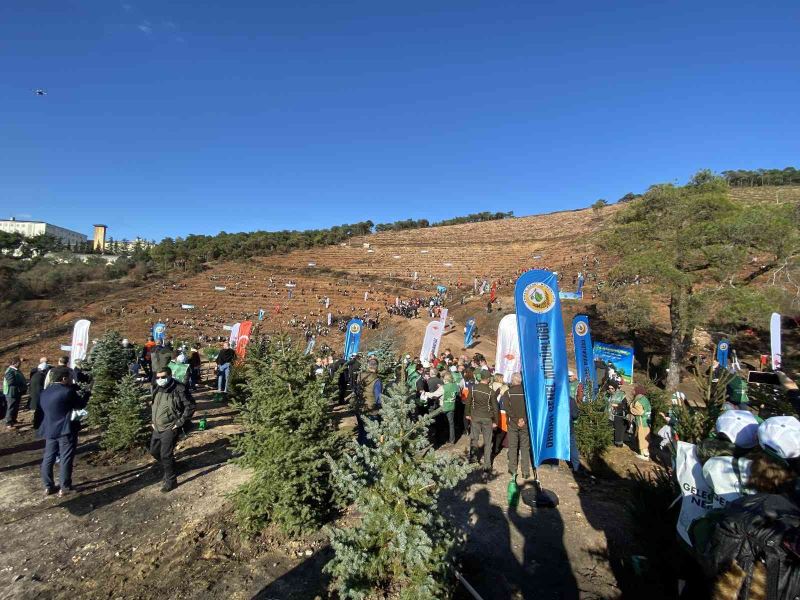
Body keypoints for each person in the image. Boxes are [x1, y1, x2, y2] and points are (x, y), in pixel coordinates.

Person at [38, 367, 88, 497]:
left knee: (48, 457)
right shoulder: (67, 392)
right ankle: (65, 487)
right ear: (64, 378)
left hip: (49, 428)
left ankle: (48, 486)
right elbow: (80, 405)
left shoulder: (45, 392)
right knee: (66, 458)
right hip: (65, 429)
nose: (72, 379)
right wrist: (87, 394)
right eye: (70, 377)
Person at [150, 366, 195, 492]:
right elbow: (155, 405)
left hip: (170, 427)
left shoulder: (179, 388)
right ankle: (172, 466)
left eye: (163, 377)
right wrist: (153, 421)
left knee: (165, 455)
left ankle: (171, 480)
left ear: (170, 376)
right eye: (158, 377)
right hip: (157, 427)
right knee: (154, 451)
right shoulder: (157, 387)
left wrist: (179, 423)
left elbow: (190, 406)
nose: (160, 379)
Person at [465, 373, 499, 471]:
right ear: (488, 379)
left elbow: (468, 402)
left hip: (475, 416)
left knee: (474, 438)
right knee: (487, 442)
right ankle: (487, 465)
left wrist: (467, 413)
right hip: (487, 418)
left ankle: (473, 460)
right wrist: (496, 421)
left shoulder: (473, 388)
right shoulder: (491, 392)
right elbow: (496, 408)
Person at [505, 373, 531, 479]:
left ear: (513, 380)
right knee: (525, 448)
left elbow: (507, 409)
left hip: (513, 424)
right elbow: (531, 409)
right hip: (525, 424)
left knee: (513, 446)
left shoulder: (508, 393)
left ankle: (512, 469)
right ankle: (525, 471)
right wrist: (524, 420)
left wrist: (516, 420)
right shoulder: (528, 393)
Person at [355, 358, 382, 445]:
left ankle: (360, 448)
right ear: (376, 367)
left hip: (359, 407)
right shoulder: (377, 380)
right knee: (370, 433)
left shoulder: (360, 376)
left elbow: (356, 391)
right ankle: (367, 451)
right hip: (371, 410)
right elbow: (378, 398)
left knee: (361, 430)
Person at [629, 385, 652, 460]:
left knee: (642, 437)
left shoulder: (638, 400)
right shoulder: (645, 399)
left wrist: (631, 409)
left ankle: (644, 455)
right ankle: (646, 453)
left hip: (641, 421)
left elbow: (640, 412)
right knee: (646, 437)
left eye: (634, 390)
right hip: (647, 422)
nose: (633, 391)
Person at [4, 357, 27, 428]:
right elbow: (11, 382)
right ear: (15, 363)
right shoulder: (10, 371)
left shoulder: (16, 370)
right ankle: (8, 422)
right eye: (19, 362)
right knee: (11, 407)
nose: (20, 364)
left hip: (17, 391)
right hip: (11, 392)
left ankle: (13, 419)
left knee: (16, 406)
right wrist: (21, 383)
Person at [28, 357, 50, 430]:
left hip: (34, 396)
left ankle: (37, 424)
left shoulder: (35, 374)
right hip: (38, 397)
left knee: (38, 412)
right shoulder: (41, 376)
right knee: (39, 412)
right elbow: (42, 387)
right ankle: (37, 425)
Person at [568, 370, 582, 472]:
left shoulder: (578, 385)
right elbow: (574, 415)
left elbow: (580, 397)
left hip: (559, 425)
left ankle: (553, 464)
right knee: (572, 445)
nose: (569, 378)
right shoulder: (570, 400)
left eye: (570, 376)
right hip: (569, 426)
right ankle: (576, 466)